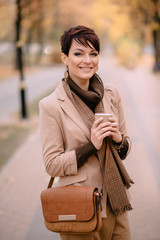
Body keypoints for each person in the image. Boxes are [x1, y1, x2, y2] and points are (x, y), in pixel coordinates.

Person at [39, 25, 134, 240]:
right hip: (81, 208)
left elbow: (124, 149)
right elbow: (52, 164)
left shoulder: (111, 94)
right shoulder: (51, 105)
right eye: (78, 53)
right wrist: (91, 145)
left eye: (93, 53)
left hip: (116, 202)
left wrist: (119, 140)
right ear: (65, 58)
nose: (87, 60)